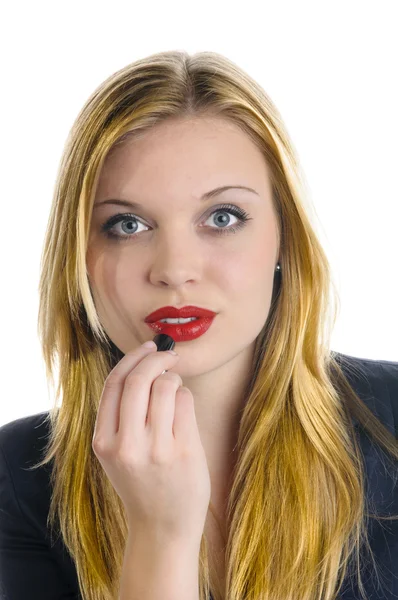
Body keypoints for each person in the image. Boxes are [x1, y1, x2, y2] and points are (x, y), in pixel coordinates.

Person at [0, 49, 397, 600]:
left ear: (284, 239)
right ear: (79, 255)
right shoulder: (16, 478)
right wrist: (160, 538)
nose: (174, 270)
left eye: (222, 217)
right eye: (127, 224)